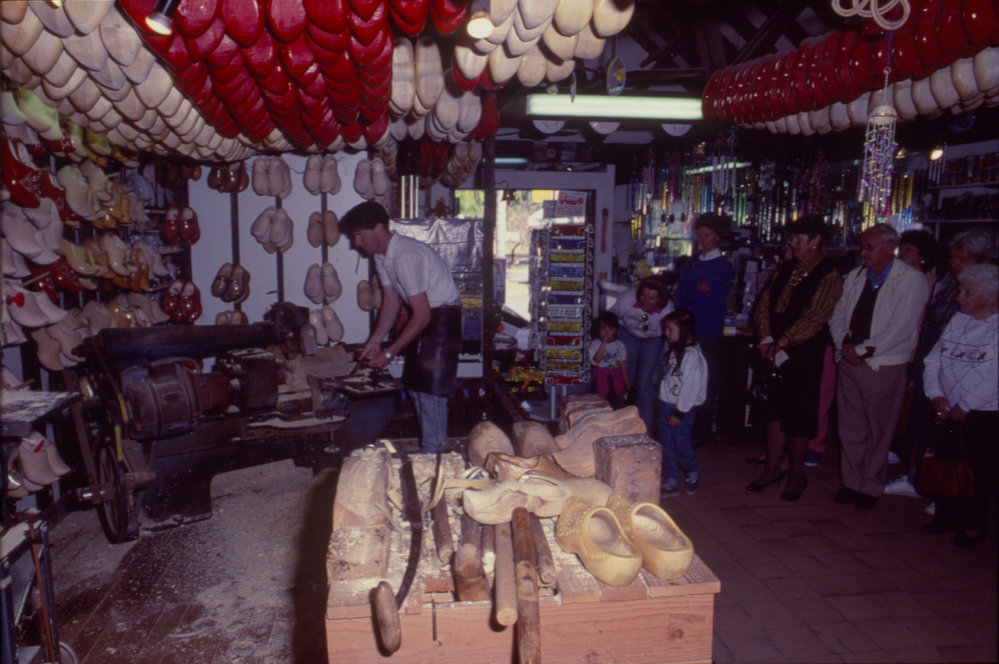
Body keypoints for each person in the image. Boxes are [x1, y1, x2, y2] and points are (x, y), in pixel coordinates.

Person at [341, 201, 462, 454]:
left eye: (360, 236)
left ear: (378, 229)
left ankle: (437, 460)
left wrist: (389, 352)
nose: (357, 244)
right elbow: (392, 301)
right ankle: (433, 456)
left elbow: (422, 315)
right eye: (355, 237)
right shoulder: (382, 256)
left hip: (441, 322)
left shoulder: (406, 254)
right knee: (417, 391)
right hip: (428, 318)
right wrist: (375, 341)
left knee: (431, 397)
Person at [886, 229, 994, 499]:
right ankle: (919, 480)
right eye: (953, 258)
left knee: (968, 451)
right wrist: (926, 376)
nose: (956, 264)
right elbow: (931, 326)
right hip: (936, 364)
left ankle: (953, 496)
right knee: (922, 423)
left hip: (972, 384)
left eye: (963, 259)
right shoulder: (947, 281)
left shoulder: (988, 293)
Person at [828, 224, 929, 509]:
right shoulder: (857, 276)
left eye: (869, 248)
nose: (863, 253)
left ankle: (870, 486)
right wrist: (844, 342)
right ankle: (851, 482)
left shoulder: (910, 280)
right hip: (848, 359)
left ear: (889, 248)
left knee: (878, 429)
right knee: (850, 427)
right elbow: (838, 313)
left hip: (882, 365)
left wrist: (861, 350)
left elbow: (901, 328)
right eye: (863, 247)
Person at [747, 215, 842, 501]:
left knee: (799, 416)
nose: (793, 245)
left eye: (799, 239)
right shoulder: (786, 268)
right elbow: (764, 305)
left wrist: (784, 341)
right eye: (792, 239)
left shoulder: (829, 273)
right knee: (774, 411)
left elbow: (816, 316)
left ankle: (797, 474)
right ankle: (773, 468)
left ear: (816, 241)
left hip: (804, 353)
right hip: (774, 349)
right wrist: (766, 339)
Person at [920, 263, 998, 548]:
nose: (958, 297)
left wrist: (965, 404)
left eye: (967, 292)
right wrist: (936, 394)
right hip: (947, 406)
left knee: (976, 470)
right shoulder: (958, 319)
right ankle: (945, 516)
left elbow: (995, 376)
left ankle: (973, 524)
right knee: (945, 462)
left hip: (983, 412)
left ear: (992, 296)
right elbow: (933, 360)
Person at [674, 213, 734, 445]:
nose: (702, 239)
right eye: (699, 234)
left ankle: (702, 434)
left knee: (705, 383)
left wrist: (692, 295)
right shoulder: (691, 262)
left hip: (709, 331)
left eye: (707, 235)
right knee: (682, 380)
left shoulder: (722, 266)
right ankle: (684, 431)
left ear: (717, 237)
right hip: (688, 329)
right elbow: (681, 295)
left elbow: (705, 300)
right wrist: (694, 293)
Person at [609, 276, 672, 431]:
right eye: (643, 295)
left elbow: (672, 334)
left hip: (653, 339)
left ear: (660, 299)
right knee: (624, 379)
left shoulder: (668, 310)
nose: (645, 301)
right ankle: (618, 426)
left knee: (645, 384)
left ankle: (645, 430)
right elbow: (610, 318)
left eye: (652, 298)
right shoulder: (626, 300)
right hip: (628, 333)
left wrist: (668, 352)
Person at [657, 308, 707, 497]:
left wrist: (679, 413)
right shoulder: (676, 349)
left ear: (684, 331)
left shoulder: (692, 356)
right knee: (665, 444)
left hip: (682, 409)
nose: (665, 333)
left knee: (680, 443)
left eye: (670, 330)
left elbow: (691, 388)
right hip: (666, 404)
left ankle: (692, 471)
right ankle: (671, 480)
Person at [589, 311, 629, 409]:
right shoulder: (595, 344)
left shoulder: (619, 345)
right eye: (603, 328)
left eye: (610, 329)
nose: (606, 332)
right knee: (600, 403)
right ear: (598, 330)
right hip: (600, 378)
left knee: (616, 402)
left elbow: (622, 364)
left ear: (616, 330)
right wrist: (604, 343)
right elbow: (597, 360)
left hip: (615, 377)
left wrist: (627, 382)